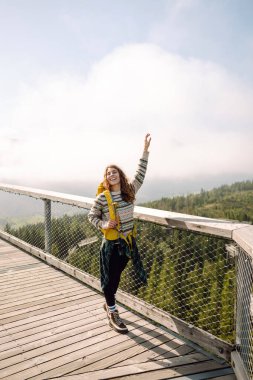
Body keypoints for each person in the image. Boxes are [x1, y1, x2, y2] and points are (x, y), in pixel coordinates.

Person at [88, 133, 151, 333]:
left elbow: (141, 173)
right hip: (110, 246)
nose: (111, 175)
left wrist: (145, 151)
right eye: (108, 173)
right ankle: (113, 312)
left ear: (120, 175)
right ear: (105, 178)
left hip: (126, 244)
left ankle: (109, 304)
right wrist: (105, 224)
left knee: (115, 277)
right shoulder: (102, 198)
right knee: (110, 279)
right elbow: (91, 216)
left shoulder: (129, 191)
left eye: (114, 172)